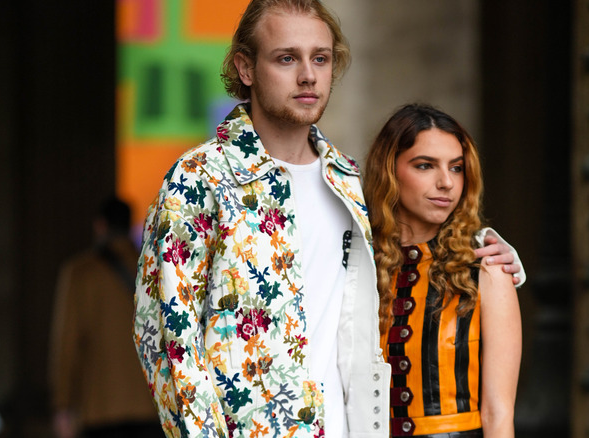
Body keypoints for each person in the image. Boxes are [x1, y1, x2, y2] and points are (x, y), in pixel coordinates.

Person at [133, 1, 523, 437]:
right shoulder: (198, 180)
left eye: (320, 58)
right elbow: (168, 343)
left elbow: (417, 238)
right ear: (245, 68)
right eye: (287, 58)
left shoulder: (349, 184)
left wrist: (495, 251)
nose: (308, 75)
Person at [364, 104, 523, 438]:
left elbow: (498, 413)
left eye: (457, 168)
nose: (446, 182)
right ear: (389, 171)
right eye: (425, 166)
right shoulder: (357, 266)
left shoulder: (488, 269)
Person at [49, 197, 163, 438]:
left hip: (100, 408)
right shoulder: (156, 269)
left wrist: (63, 405)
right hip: (151, 407)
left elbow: (67, 343)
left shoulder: (81, 272)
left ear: (100, 226)